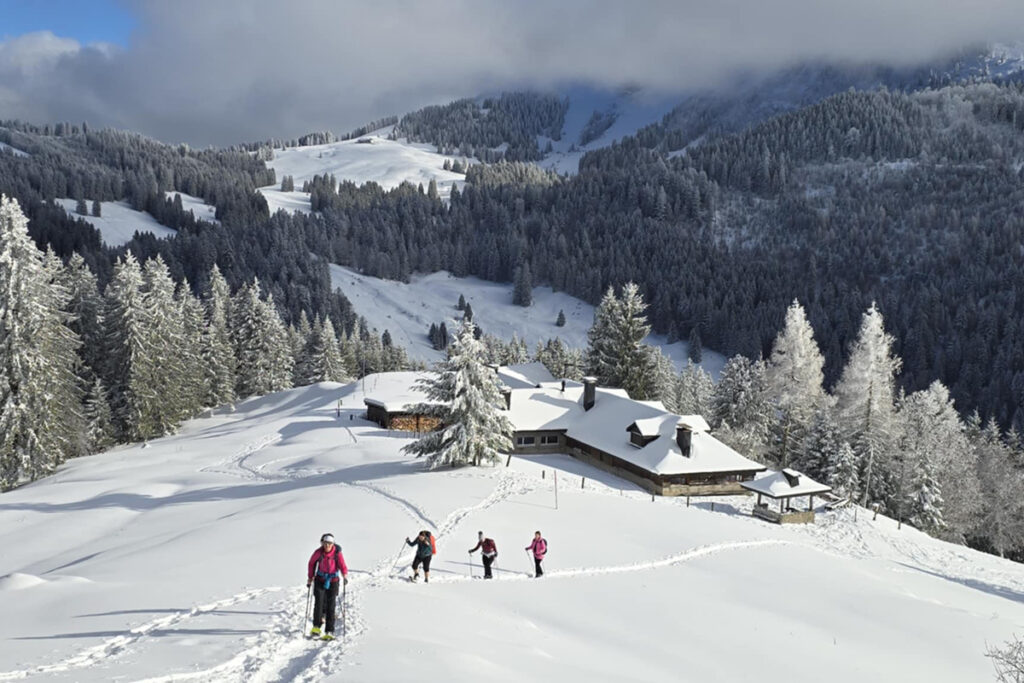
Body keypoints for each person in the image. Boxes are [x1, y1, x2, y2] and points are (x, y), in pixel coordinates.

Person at [306, 533, 348, 640]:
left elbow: (342, 565)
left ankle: (329, 630)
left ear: (333, 544)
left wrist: (345, 575)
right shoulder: (318, 553)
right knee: (319, 604)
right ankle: (316, 627)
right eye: (325, 543)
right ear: (322, 543)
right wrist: (310, 578)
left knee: (331, 605)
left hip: (333, 581)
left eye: (329, 544)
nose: (327, 546)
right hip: (320, 580)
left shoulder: (337, 553)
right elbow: (311, 563)